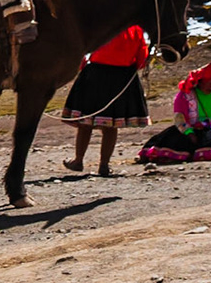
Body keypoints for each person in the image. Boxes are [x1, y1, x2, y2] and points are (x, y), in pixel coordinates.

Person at [60, 24, 151, 176]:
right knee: (111, 124)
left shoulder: (104, 22)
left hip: (95, 74)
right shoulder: (135, 29)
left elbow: (84, 46)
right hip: (122, 77)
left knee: (86, 122)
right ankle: (104, 165)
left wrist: (83, 65)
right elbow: (141, 60)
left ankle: (78, 160)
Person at [139, 61, 211, 163]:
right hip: (185, 131)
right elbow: (180, 118)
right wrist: (189, 133)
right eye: (209, 83)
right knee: (175, 144)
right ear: (200, 81)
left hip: (209, 132)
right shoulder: (185, 96)